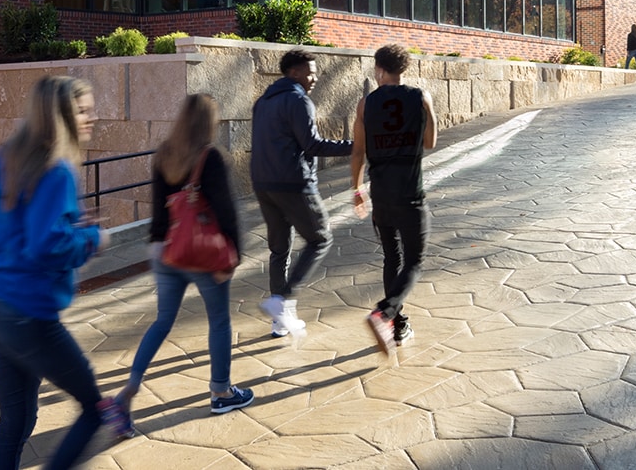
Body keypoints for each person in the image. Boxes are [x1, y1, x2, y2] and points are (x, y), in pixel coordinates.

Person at [0, 76, 123, 469]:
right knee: (94, 409)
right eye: (82, 110)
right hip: (30, 317)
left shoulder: (8, 160)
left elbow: (4, 237)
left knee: (15, 423)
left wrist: (71, 227)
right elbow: (46, 246)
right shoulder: (58, 170)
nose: (92, 118)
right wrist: (93, 239)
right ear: (60, 114)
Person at [114, 94, 253, 427]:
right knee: (219, 321)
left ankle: (132, 383)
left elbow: (158, 205)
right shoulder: (211, 156)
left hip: (168, 249)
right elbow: (224, 209)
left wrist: (154, 243)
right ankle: (221, 393)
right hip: (204, 254)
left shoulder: (165, 153)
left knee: (162, 320)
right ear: (209, 121)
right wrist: (233, 253)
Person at [251, 49, 353, 337]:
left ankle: (280, 318)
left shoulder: (262, 102)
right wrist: (356, 146)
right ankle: (281, 301)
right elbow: (313, 145)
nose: (315, 77)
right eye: (311, 71)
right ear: (294, 73)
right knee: (320, 239)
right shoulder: (298, 99)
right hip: (293, 183)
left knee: (279, 248)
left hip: (263, 183)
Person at [351, 44, 436, 356]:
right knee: (414, 261)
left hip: (381, 195)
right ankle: (384, 313)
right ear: (402, 69)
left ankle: (397, 326)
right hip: (410, 194)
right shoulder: (420, 97)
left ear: (379, 70)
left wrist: (357, 190)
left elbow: (358, 151)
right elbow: (430, 142)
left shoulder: (365, 105)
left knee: (392, 258)